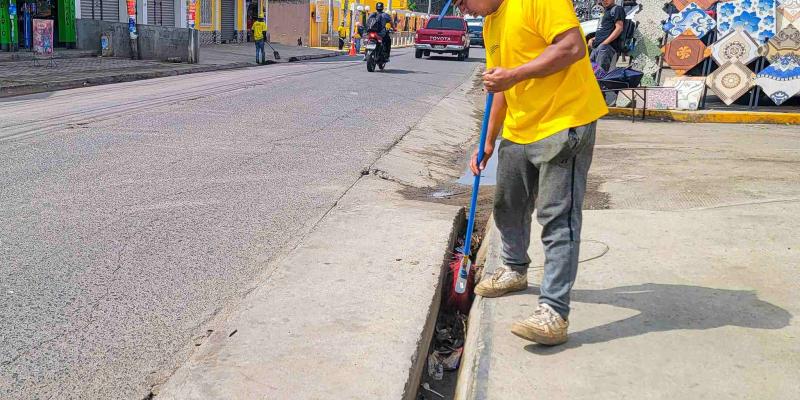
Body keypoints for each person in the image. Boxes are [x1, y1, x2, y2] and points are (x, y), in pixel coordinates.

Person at [458, 0, 608, 346]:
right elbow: (500, 87)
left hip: (563, 121)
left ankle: (554, 312)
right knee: (508, 205)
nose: (464, 11)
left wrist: (515, 74)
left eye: (464, 1)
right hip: (520, 127)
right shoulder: (492, 23)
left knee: (557, 218)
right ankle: (513, 269)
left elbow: (571, 48)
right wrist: (489, 139)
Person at [588, 0, 625, 72]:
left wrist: (604, 44)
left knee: (599, 74)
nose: (604, 0)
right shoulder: (605, 11)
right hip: (596, 47)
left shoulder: (617, 9)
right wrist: (592, 39)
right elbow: (604, 30)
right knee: (590, 74)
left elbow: (619, 28)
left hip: (605, 48)